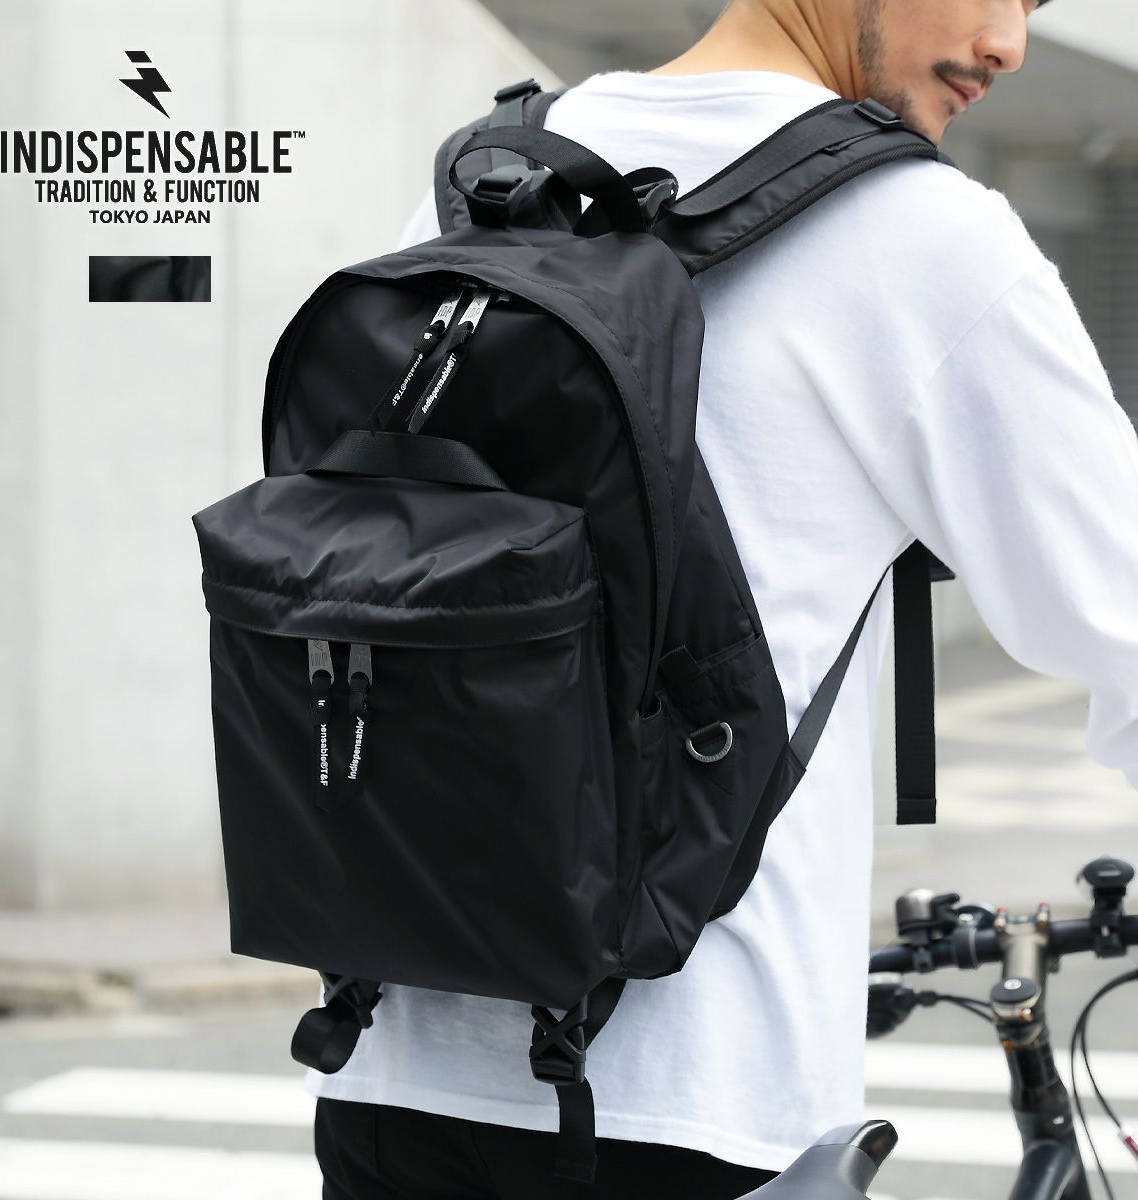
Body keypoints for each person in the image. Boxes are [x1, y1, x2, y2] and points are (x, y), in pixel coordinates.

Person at [307, 1, 1138, 1196]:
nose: (1010, 43)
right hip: (694, 1106)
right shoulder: (928, 236)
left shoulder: (488, 181)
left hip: (391, 1069)